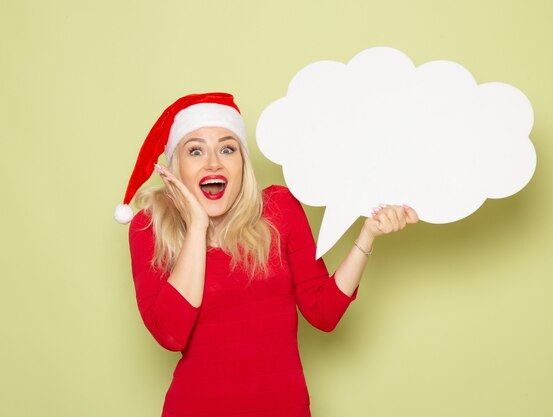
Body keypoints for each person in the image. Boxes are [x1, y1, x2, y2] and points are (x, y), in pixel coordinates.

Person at [114, 92, 419, 417]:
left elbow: (323, 313)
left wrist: (367, 235)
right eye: (195, 150)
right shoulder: (150, 226)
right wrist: (197, 227)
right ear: (176, 165)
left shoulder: (281, 209)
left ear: (242, 162)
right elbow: (171, 334)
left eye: (227, 148)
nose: (213, 162)